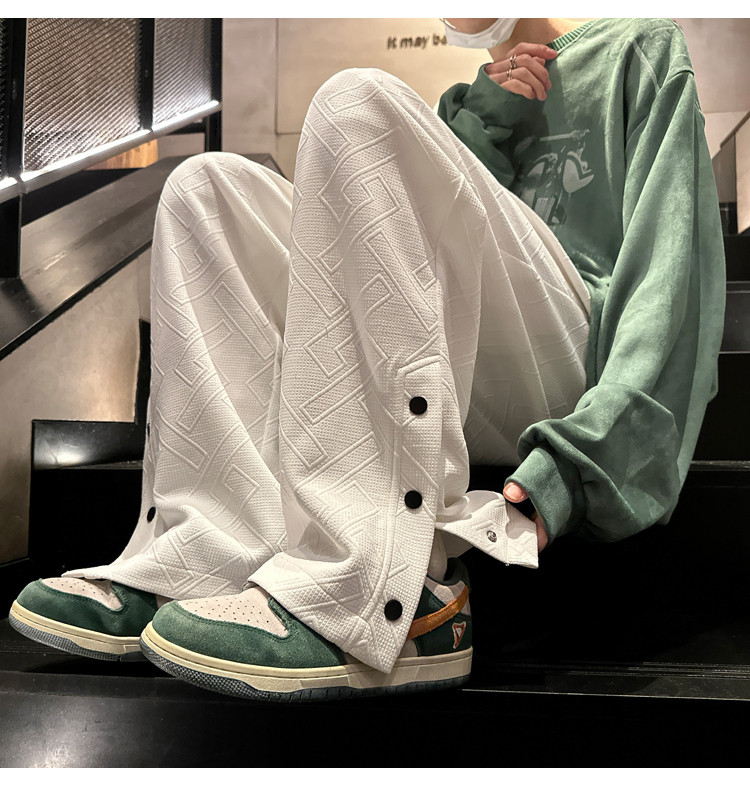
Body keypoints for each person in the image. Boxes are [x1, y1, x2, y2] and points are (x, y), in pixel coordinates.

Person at [8, 17, 725, 701]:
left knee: (359, 103)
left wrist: (579, 468)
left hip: (572, 363)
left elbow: (672, 281)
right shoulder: (467, 106)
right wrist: (482, 123)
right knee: (206, 189)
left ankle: (386, 588)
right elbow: (440, 263)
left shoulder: (639, 50)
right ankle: (201, 558)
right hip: (460, 379)